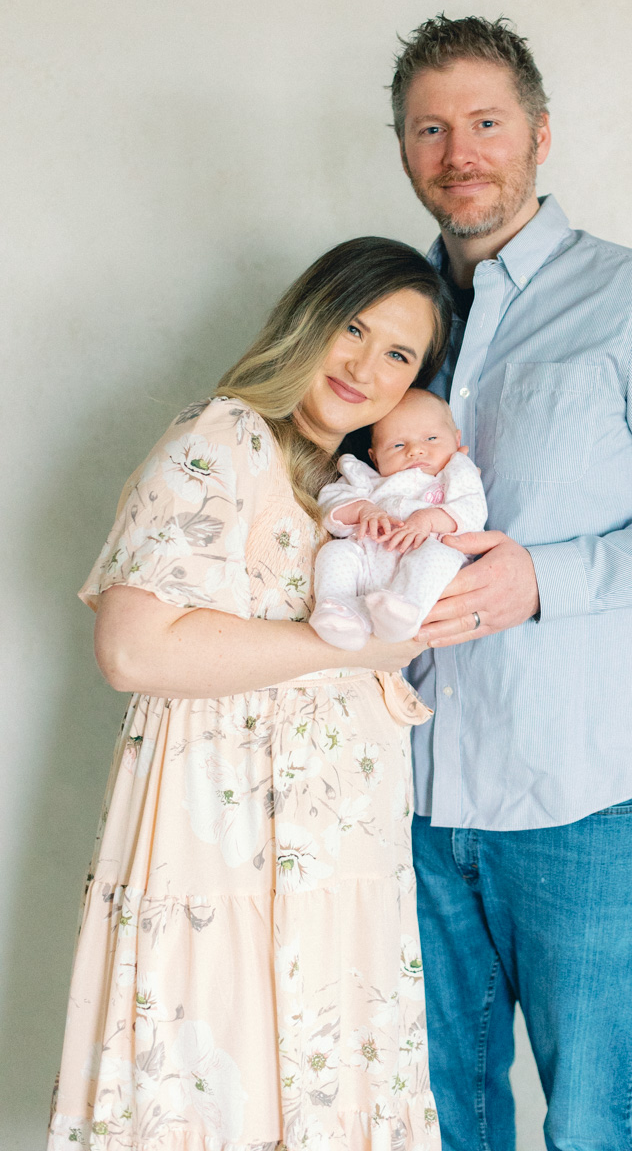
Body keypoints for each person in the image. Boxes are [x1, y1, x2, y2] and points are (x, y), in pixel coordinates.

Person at [388, 15, 632, 1151]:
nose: (457, 150)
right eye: (429, 127)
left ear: (539, 135)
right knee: (435, 1116)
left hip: (585, 799)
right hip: (412, 799)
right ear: (403, 149)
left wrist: (545, 579)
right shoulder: (392, 329)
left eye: (484, 122)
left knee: (588, 1123)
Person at [47, 237, 451, 1151]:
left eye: (398, 354)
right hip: (221, 861)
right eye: (353, 327)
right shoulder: (222, 436)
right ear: (309, 319)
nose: (365, 366)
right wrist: (348, 648)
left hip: (331, 872)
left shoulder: (346, 489)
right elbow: (134, 649)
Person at [310, 388, 487, 649]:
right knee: (335, 552)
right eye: (398, 445)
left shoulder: (456, 475)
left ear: (456, 439)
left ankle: (403, 613)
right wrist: (363, 510)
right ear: (375, 457)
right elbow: (329, 503)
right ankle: (340, 609)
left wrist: (428, 519)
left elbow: (473, 512)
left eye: (431, 438)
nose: (415, 450)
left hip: (425, 563)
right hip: (368, 561)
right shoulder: (367, 480)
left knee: (440, 557)